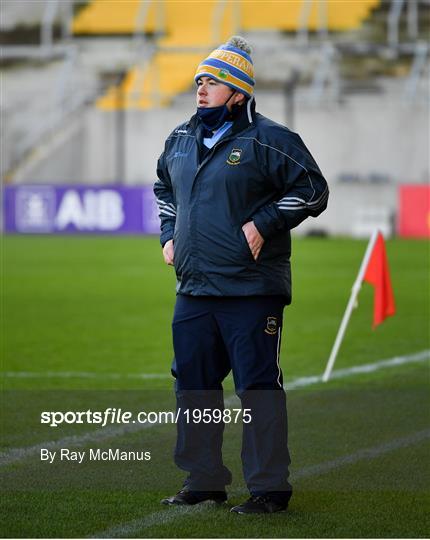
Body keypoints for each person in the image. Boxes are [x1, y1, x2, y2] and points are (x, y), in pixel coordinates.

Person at [154, 36, 328, 514]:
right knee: (193, 386)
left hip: (252, 289)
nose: (201, 89)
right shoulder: (179, 138)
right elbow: (163, 188)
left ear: (238, 91)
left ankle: (269, 489)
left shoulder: (272, 139)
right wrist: (168, 233)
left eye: (212, 81)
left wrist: (264, 222)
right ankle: (204, 479)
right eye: (199, 81)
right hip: (193, 288)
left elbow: (313, 190)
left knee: (256, 387)